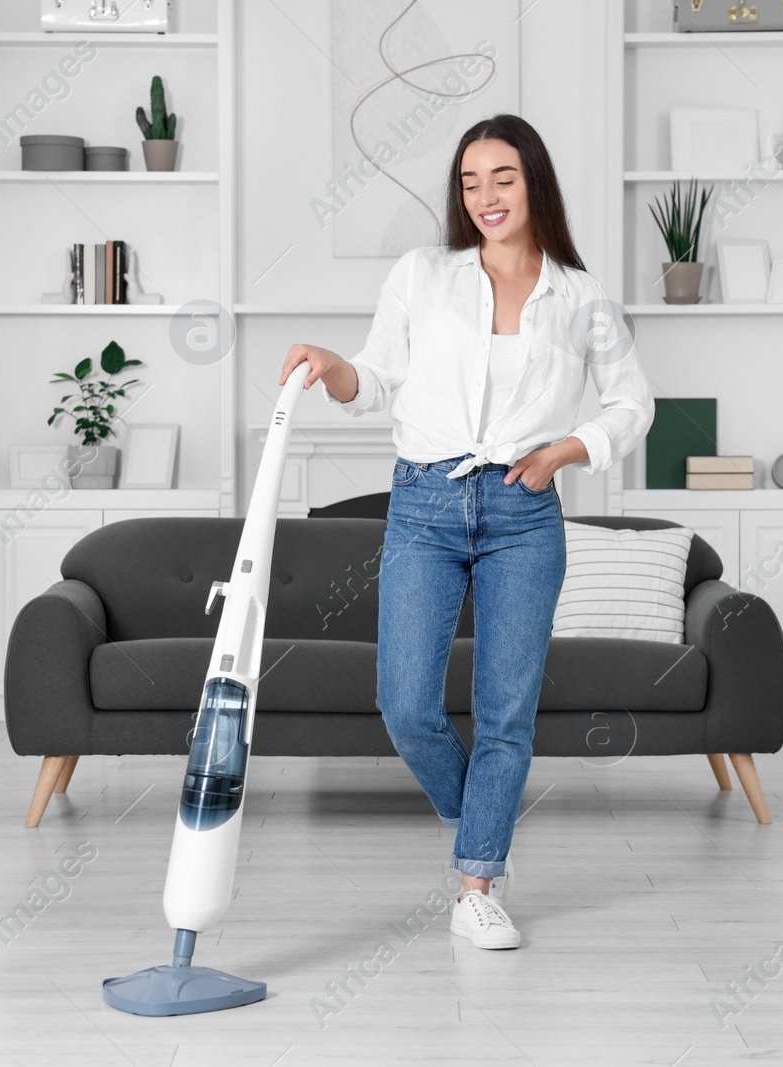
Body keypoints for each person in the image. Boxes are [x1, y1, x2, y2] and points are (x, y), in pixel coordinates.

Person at [278, 113, 655, 949]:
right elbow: (374, 377)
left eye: (504, 178)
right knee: (405, 702)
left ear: (536, 184)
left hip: (525, 511)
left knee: (506, 712)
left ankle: (478, 880)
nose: (485, 196)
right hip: (424, 503)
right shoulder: (423, 275)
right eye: (470, 181)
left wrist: (568, 449)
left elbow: (635, 403)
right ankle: (481, 818)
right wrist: (334, 368)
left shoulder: (582, 295)